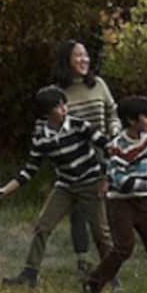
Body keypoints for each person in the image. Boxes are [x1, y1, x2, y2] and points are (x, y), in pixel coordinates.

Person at [0, 86, 113, 288]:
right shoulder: (41, 138)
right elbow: (29, 170)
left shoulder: (79, 125)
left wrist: (106, 179)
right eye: (58, 105)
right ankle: (29, 274)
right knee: (42, 227)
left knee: (101, 233)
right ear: (47, 112)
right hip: (65, 186)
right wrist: (5, 189)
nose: (64, 107)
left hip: (91, 183)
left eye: (64, 103)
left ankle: (110, 276)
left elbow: (108, 147)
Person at [82, 96, 147, 293]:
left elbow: (144, 168)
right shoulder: (117, 147)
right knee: (124, 247)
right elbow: (121, 181)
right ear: (132, 121)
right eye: (146, 116)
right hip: (120, 202)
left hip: (142, 201)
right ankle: (92, 285)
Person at [52, 40, 118, 271]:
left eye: (86, 55)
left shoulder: (98, 85)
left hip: (105, 155)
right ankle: (83, 262)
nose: (84, 60)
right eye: (78, 56)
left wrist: (115, 130)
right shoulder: (59, 93)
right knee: (79, 213)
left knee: (102, 219)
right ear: (66, 61)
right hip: (77, 161)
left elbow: (112, 112)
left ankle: (109, 267)